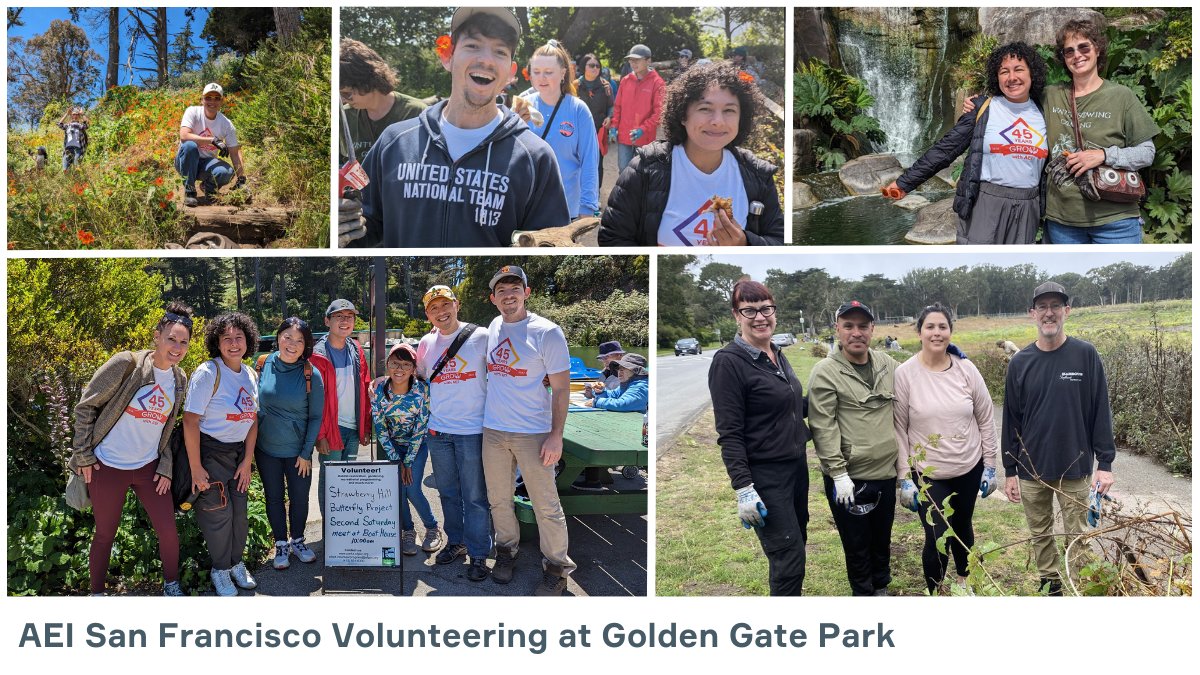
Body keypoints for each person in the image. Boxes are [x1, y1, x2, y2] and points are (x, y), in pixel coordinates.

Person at [358, 7, 570, 247]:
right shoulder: (394, 143)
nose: (487, 60)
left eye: (500, 52)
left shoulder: (535, 158)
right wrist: (344, 224)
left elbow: (549, 243)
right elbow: (363, 223)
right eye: (473, 46)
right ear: (447, 57)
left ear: (511, 72)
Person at [70, 302, 193, 596]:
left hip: (148, 469)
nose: (177, 348)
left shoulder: (180, 379)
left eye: (184, 342)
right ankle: (97, 593)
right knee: (105, 534)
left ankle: (171, 586)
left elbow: (167, 429)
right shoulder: (128, 364)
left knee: (168, 530)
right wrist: (83, 455)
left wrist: (165, 466)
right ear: (157, 336)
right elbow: (86, 407)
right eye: (171, 339)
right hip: (107, 466)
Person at [1002, 282, 1116, 595]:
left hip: (1075, 468)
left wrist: (1105, 463)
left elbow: (1100, 410)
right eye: (1042, 307)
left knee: (1078, 537)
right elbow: (1011, 421)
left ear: (1067, 310)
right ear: (1032, 313)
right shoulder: (1020, 363)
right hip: (1031, 470)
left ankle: (1082, 589)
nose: (1049, 313)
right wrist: (1010, 470)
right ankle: (1051, 588)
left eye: (1055, 306)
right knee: (1040, 534)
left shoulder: (1085, 355)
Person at [600, 62, 785, 246]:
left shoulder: (759, 176)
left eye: (729, 110)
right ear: (683, 115)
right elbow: (612, 237)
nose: (718, 121)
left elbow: (779, 240)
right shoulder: (645, 169)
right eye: (705, 109)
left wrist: (745, 244)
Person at [883, 42, 1048, 244]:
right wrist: (905, 182)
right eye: (1004, 71)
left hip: (1028, 207)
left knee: (1018, 262)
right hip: (986, 203)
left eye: (1019, 69)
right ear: (996, 77)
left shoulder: (1044, 112)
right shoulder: (983, 108)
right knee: (978, 259)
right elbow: (946, 149)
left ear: (1032, 73)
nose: (1011, 77)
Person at [708, 281, 810, 595]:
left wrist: (835, 400)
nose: (760, 317)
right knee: (787, 557)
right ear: (736, 315)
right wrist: (743, 488)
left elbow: (791, 406)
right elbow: (730, 433)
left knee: (798, 542)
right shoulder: (728, 362)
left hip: (796, 468)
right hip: (766, 476)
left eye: (766, 308)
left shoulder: (775, 352)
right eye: (749, 311)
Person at [482, 265, 575, 595]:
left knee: (546, 505)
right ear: (493, 299)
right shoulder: (493, 327)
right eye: (502, 291)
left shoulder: (547, 332)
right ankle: (506, 552)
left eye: (515, 288)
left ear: (527, 292)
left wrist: (556, 435)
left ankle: (557, 568)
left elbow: (562, 389)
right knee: (498, 500)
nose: (509, 295)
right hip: (494, 430)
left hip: (533, 432)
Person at [893, 303, 998, 594]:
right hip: (928, 474)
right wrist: (904, 477)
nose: (936, 332)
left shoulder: (966, 369)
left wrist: (990, 465)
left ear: (951, 331)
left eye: (943, 326)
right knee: (936, 534)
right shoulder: (905, 374)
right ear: (919, 332)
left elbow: (986, 418)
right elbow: (898, 428)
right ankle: (936, 590)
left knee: (963, 526)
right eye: (930, 326)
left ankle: (965, 582)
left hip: (968, 467)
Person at [807, 300, 900, 596]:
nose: (856, 332)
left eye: (862, 326)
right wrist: (838, 474)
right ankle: (863, 594)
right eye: (848, 326)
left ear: (872, 329)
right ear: (838, 329)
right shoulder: (825, 372)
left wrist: (947, 353)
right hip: (850, 478)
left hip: (885, 473)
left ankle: (881, 588)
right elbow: (823, 425)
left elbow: (919, 375)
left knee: (882, 538)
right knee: (857, 544)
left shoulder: (887, 364)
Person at [1042, 18, 1159, 244]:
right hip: (1063, 222)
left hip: (1116, 221)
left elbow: (1147, 153)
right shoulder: (1050, 95)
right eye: (1069, 51)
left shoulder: (1121, 96)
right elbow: (1014, 96)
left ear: (1097, 49)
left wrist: (1104, 155)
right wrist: (976, 103)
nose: (1077, 55)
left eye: (1084, 47)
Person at [416, 284, 492, 581]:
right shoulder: (426, 342)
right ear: (427, 315)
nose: (441, 312)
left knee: (474, 496)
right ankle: (456, 542)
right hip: (438, 431)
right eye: (433, 308)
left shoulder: (481, 336)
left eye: (445, 305)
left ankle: (479, 553)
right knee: (448, 493)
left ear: (456, 304)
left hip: (472, 429)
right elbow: (418, 379)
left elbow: (503, 372)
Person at [183, 312, 260, 597]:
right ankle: (220, 569)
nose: (233, 343)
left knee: (240, 515)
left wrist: (247, 460)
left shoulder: (250, 374)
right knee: (218, 515)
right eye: (226, 338)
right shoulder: (208, 373)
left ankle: (236, 563)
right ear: (217, 342)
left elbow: (253, 419)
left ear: (248, 341)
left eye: (239, 337)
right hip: (210, 452)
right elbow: (190, 421)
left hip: (238, 454)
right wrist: (195, 467)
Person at [255, 317, 325, 570]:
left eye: (299, 340)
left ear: (306, 345)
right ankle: (281, 544)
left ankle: (298, 540)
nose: (292, 344)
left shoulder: (310, 373)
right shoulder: (262, 364)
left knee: (299, 498)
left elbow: (315, 417)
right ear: (278, 337)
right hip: (266, 448)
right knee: (273, 498)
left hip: (298, 452)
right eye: (287, 337)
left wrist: (306, 453)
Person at [371, 343, 442, 557]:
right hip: (393, 446)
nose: (399, 369)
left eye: (405, 364)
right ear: (388, 365)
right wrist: (396, 460)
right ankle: (408, 531)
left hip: (416, 445)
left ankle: (432, 527)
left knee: (412, 489)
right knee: (398, 490)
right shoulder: (379, 392)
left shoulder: (422, 390)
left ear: (413, 368)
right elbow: (380, 429)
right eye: (394, 363)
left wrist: (408, 462)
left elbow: (421, 428)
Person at [519, 40, 600, 218]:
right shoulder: (522, 107)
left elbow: (589, 160)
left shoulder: (578, 110)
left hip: (566, 208)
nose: (541, 78)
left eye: (548, 72)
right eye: (536, 72)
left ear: (563, 73)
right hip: (526, 208)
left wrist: (588, 206)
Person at [310, 299, 372, 519]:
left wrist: (365, 426)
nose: (345, 321)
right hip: (331, 430)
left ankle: (344, 526)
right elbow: (312, 399)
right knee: (330, 481)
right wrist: (320, 435)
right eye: (339, 316)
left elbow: (364, 387)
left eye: (349, 317)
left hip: (353, 429)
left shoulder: (356, 349)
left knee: (348, 479)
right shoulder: (316, 355)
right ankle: (329, 529)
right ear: (327, 321)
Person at [339, 38, 428, 163]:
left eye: (346, 94)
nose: (343, 100)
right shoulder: (344, 117)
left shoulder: (417, 113)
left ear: (367, 82)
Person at [176, 83, 245, 208]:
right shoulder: (192, 112)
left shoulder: (227, 124)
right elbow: (184, 135)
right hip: (185, 161)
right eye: (208, 97)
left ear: (221, 101)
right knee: (189, 146)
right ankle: (190, 191)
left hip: (206, 163)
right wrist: (212, 140)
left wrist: (241, 179)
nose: (212, 101)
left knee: (227, 172)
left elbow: (235, 153)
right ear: (202, 99)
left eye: (217, 98)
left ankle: (208, 188)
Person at [609, 43, 666, 173]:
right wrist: (613, 126)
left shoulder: (658, 83)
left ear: (648, 61)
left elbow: (658, 113)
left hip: (645, 138)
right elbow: (618, 106)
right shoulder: (625, 80)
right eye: (631, 60)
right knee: (623, 169)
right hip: (624, 135)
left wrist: (642, 129)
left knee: (641, 172)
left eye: (637, 60)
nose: (633, 63)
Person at [575, 53, 614, 186]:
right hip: (579, 130)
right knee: (578, 160)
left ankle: (596, 192)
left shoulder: (606, 86)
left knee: (597, 162)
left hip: (599, 130)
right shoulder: (575, 85)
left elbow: (611, 106)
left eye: (597, 66)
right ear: (583, 67)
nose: (595, 68)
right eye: (591, 65)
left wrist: (609, 117)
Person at [583, 353, 649, 412]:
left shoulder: (641, 386)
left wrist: (596, 402)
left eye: (624, 368)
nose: (620, 371)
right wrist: (599, 392)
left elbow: (622, 404)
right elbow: (613, 395)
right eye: (619, 368)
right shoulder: (627, 384)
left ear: (636, 371)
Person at [57, 106, 89, 172]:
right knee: (65, 169)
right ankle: (67, 178)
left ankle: (76, 178)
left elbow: (86, 125)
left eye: (77, 114)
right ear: (71, 116)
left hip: (78, 149)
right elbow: (59, 124)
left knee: (76, 168)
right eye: (73, 114)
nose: (75, 116)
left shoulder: (80, 126)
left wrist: (82, 114)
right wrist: (67, 114)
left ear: (79, 116)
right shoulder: (68, 125)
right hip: (68, 149)